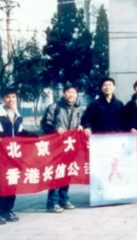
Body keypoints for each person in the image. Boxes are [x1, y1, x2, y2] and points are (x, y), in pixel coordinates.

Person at [0, 87, 38, 225]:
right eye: (7, 97)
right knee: (4, 182)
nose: (10, 100)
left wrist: (33, 136)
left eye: (13, 97)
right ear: (3, 99)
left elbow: (19, 132)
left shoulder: (18, 115)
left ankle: (8, 210)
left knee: (13, 180)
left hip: (15, 153)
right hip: (2, 153)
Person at [41, 84, 84, 213]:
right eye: (69, 92)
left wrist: (81, 126)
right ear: (64, 93)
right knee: (56, 172)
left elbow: (81, 122)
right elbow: (45, 123)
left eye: (74, 92)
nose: (71, 95)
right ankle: (52, 202)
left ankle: (63, 199)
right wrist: (56, 128)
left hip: (70, 145)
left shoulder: (78, 108)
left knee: (67, 172)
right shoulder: (54, 107)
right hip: (56, 145)